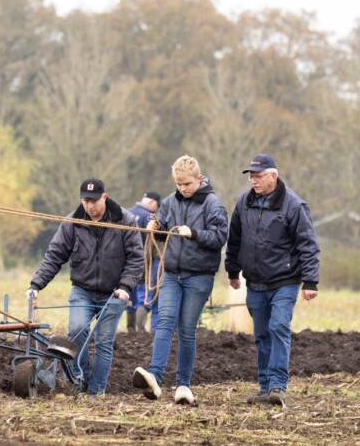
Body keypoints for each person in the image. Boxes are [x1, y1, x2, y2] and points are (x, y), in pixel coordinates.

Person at [26, 177, 144, 395]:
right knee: (76, 331)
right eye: (85, 201)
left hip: (114, 292)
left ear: (104, 198)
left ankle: (96, 391)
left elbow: (136, 259)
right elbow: (55, 254)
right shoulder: (72, 222)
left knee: (104, 342)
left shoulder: (125, 220)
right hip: (83, 290)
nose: (89, 206)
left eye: (94, 201)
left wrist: (125, 287)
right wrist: (36, 284)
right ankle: (79, 380)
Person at [224, 153, 320, 406]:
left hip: (285, 281)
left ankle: (278, 385)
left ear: (273, 176)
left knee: (278, 327)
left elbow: (308, 245)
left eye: (258, 176)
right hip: (255, 282)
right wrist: (232, 271)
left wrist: (310, 281)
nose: (253, 181)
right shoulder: (244, 202)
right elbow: (234, 239)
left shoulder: (294, 206)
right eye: (251, 177)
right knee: (261, 334)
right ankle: (265, 387)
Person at [132, 156, 228, 405]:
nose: (182, 188)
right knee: (164, 321)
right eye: (178, 184)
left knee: (186, 329)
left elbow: (219, 237)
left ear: (198, 178)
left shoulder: (212, 204)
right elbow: (164, 228)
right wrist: (156, 225)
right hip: (171, 273)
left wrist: (193, 233)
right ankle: (155, 377)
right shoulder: (169, 202)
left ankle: (183, 385)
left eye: (186, 184)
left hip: (199, 276)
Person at [125, 191, 161, 333]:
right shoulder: (150, 218)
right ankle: (141, 329)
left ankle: (130, 327)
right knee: (143, 294)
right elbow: (153, 243)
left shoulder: (127, 213)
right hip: (143, 262)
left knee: (129, 292)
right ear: (152, 202)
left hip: (126, 262)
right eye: (157, 206)